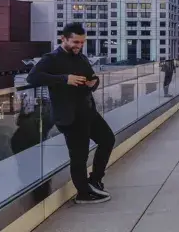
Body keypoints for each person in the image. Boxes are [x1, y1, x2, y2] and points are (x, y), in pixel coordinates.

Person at [27, 22, 115, 205]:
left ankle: (95, 180)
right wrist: (64, 79)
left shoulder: (80, 58)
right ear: (63, 39)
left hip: (87, 112)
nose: (79, 46)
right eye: (75, 42)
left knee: (107, 139)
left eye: (82, 42)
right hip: (69, 116)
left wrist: (94, 83)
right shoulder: (51, 58)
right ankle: (83, 193)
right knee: (79, 155)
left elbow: (92, 77)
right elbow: (33, 77)